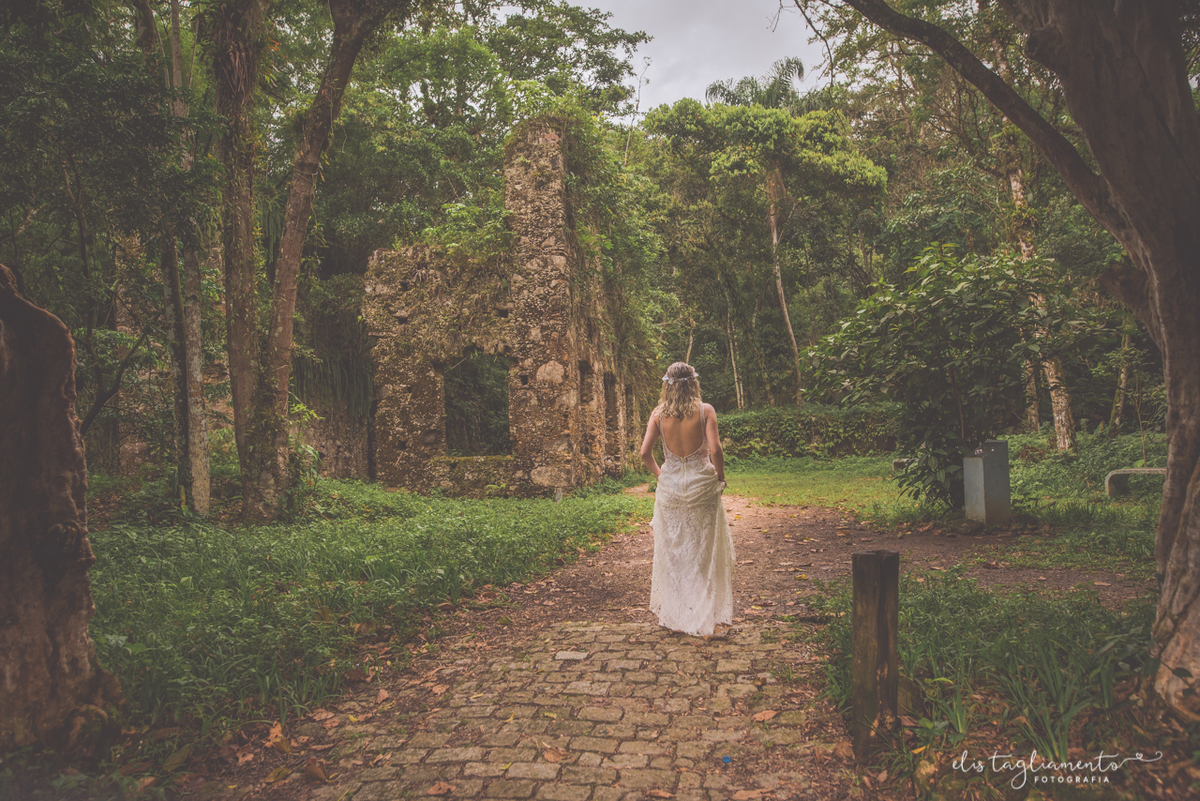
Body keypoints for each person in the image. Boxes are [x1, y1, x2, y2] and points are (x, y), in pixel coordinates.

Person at [639, 361, 734, 636]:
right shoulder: (705, 411)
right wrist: (720, 476)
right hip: (701, 488)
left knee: (674, 550)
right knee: (702, 550)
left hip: (670, 490)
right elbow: (715, 450)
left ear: (666, 385)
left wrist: (661, 475)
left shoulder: (658, 415)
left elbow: (645, 453)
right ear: (694, 383)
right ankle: (703, 613)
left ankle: (677, 614)